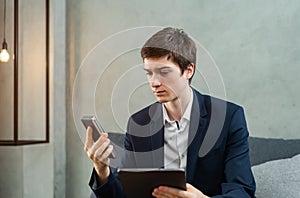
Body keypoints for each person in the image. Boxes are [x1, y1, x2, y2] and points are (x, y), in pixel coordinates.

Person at [84, 27, 256, 198]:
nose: (154, 82)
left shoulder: (228, 117)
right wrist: (102, 170)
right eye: (149, 73)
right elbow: (123, 194)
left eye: (163, 72)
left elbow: (242, 190)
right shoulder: (139, 123)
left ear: (189, 70)